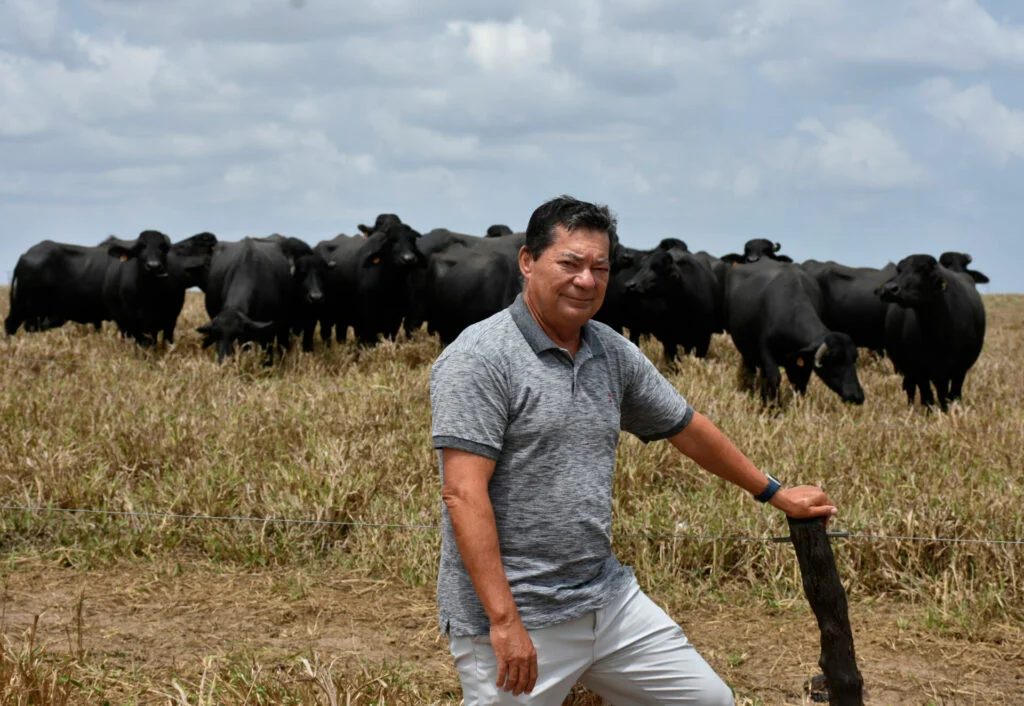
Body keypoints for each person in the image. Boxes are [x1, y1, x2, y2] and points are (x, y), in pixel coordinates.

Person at [429, 196, 837, 704]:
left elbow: (687, 427)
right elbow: (463, 493)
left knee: (709, 701)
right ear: (527, 261)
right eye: (570, 263)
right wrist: (505, 620)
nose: (586, 280)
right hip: (519, 612)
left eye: (600, 268)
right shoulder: (479, 359)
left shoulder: (610, 351)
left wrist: (775, 493)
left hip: (605, 598)